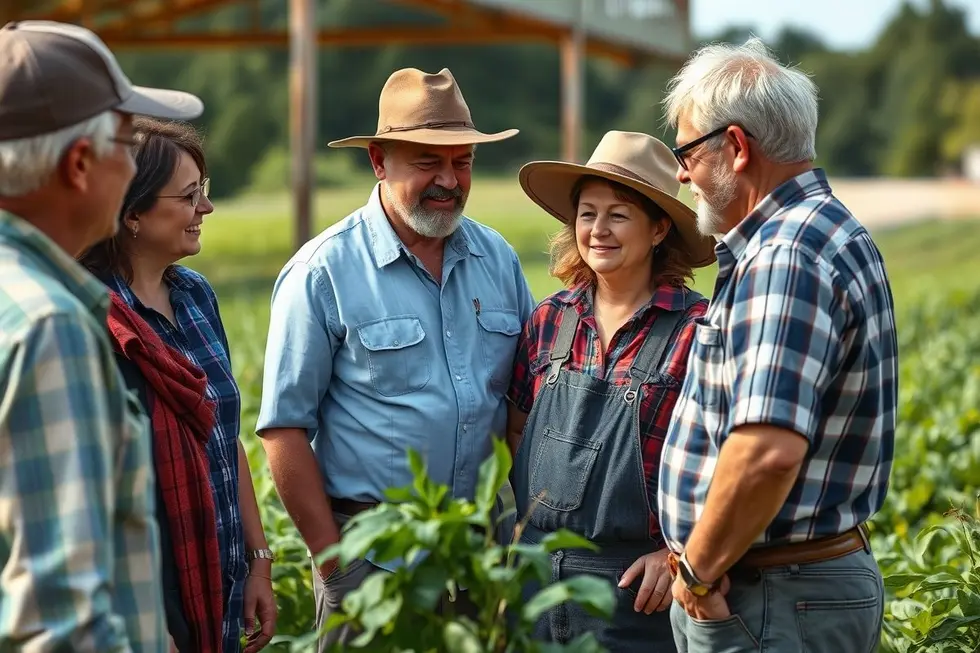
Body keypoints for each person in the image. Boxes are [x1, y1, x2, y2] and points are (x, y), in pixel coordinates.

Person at [255, 66, 535, 651]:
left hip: (478, 552)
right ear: (378, 161)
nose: (449, 180)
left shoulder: (497, 259)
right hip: (372, 557)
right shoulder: (324, 271)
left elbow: (523, 401)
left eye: (462, 162)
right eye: (426, 162)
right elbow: (284, 430)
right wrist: (335, 565)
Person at [656, 37, 898, 653]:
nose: (681, 173)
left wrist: (696, 573)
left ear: (735, 149)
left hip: (772, 595)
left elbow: (767, 451)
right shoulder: (823, 229)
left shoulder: (784, 254)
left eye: (687, 152)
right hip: (784, 590)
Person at [0, 19, 204, 652]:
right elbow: (61, 626)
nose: (133, 162)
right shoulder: (50, 327)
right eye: (126, 140)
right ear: (81, 163)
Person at [507, 131, 716, 651]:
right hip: (532, 585)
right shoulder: (548, 320)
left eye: (618, 215)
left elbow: (728, 461)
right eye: (587, 213)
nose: (598, 230)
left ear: (659, 228)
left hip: (635, 596)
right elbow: (515, 434)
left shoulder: (697, 328)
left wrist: (679, 556)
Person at [79, 118, 278, 653]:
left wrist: (258, 563)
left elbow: (224, 434)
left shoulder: (195, 296)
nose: (206, 209)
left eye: (204, 193)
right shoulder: (96, 320)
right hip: (149, 595)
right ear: (133, 212)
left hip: (222, 577)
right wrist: (144, 617)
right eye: (190, 196)